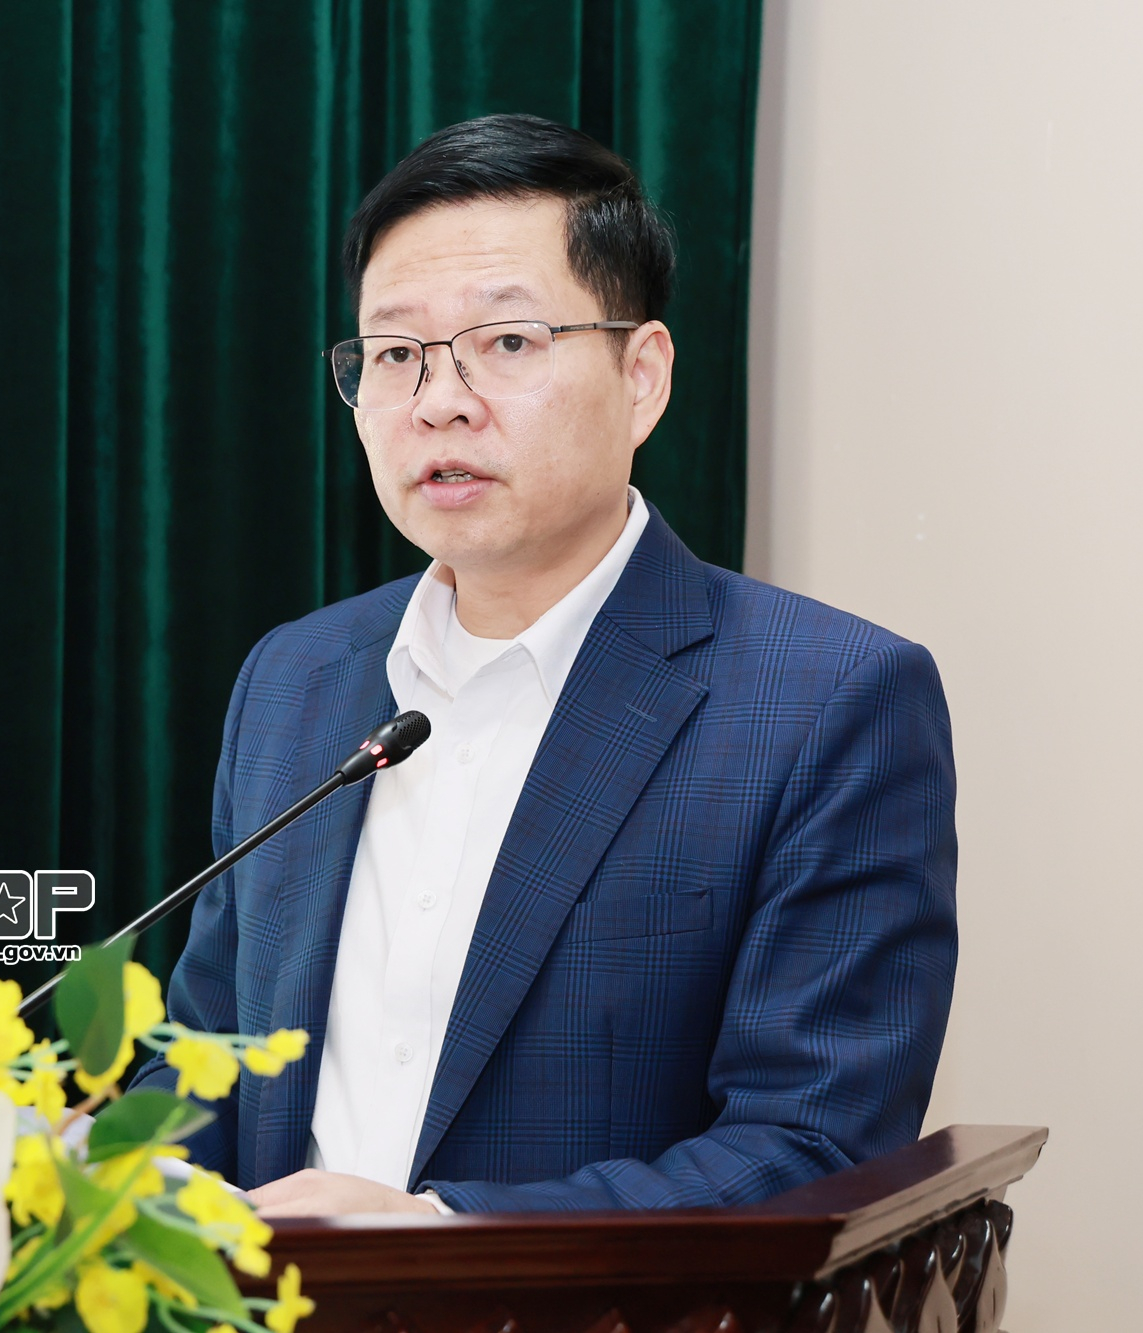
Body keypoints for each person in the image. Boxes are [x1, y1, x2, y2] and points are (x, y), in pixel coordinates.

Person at [129, 113, 958, 1215]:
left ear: (642, 376)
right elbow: (210, 1059)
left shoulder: (827, 702)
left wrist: (440, 1236)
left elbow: (812, 1146)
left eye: (507, 343)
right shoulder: (295, 680)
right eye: (396, 354)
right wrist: (90, 1165)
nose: (439, 399)